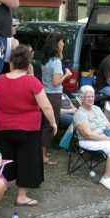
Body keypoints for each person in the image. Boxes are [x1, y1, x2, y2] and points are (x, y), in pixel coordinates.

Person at [0, 45, 57, 206]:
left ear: (12, 61)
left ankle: (1, 186)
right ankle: (21, 196)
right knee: (26, 160)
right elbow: (46, 106)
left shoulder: (0, 80)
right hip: (28, 127)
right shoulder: (32, 81)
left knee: (6, 158)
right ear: (29, 62)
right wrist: (53, 122)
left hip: (5, 126)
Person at [40, 33, 72, 165]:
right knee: (50, 125)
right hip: (53, 95)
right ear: (56, 44)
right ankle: (43, 156)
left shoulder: (46, 59)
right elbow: (56, 82)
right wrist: (67, 75)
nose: (63, 44)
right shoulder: (56, 62)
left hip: (44, 94)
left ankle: (43, 151)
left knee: (43, 124)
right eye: (62, 42)